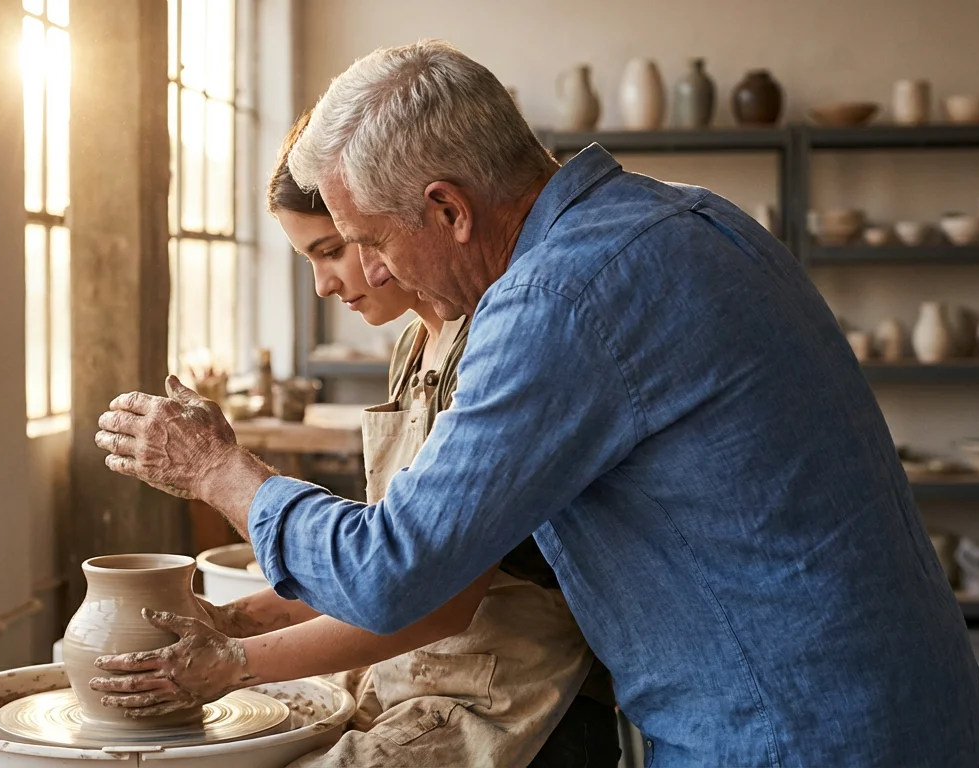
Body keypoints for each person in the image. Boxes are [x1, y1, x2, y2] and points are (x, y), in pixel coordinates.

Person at [95, 40, 979, 766]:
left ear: (448, 208)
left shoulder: (557, 300)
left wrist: (218, 468)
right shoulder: (690, 215)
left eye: (372, 241)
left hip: (790, 733)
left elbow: (396, 571)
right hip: (904, 705)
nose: (375, 275)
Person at [89, 112, 620, 768]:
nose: (326, 283)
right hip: (414, 677)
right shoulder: (412, 348)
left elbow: (429, 601)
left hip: (516, 703)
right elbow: (378, 558)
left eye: (332, 249)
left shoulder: (503, 343)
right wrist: (229, 622)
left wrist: (232, 658)